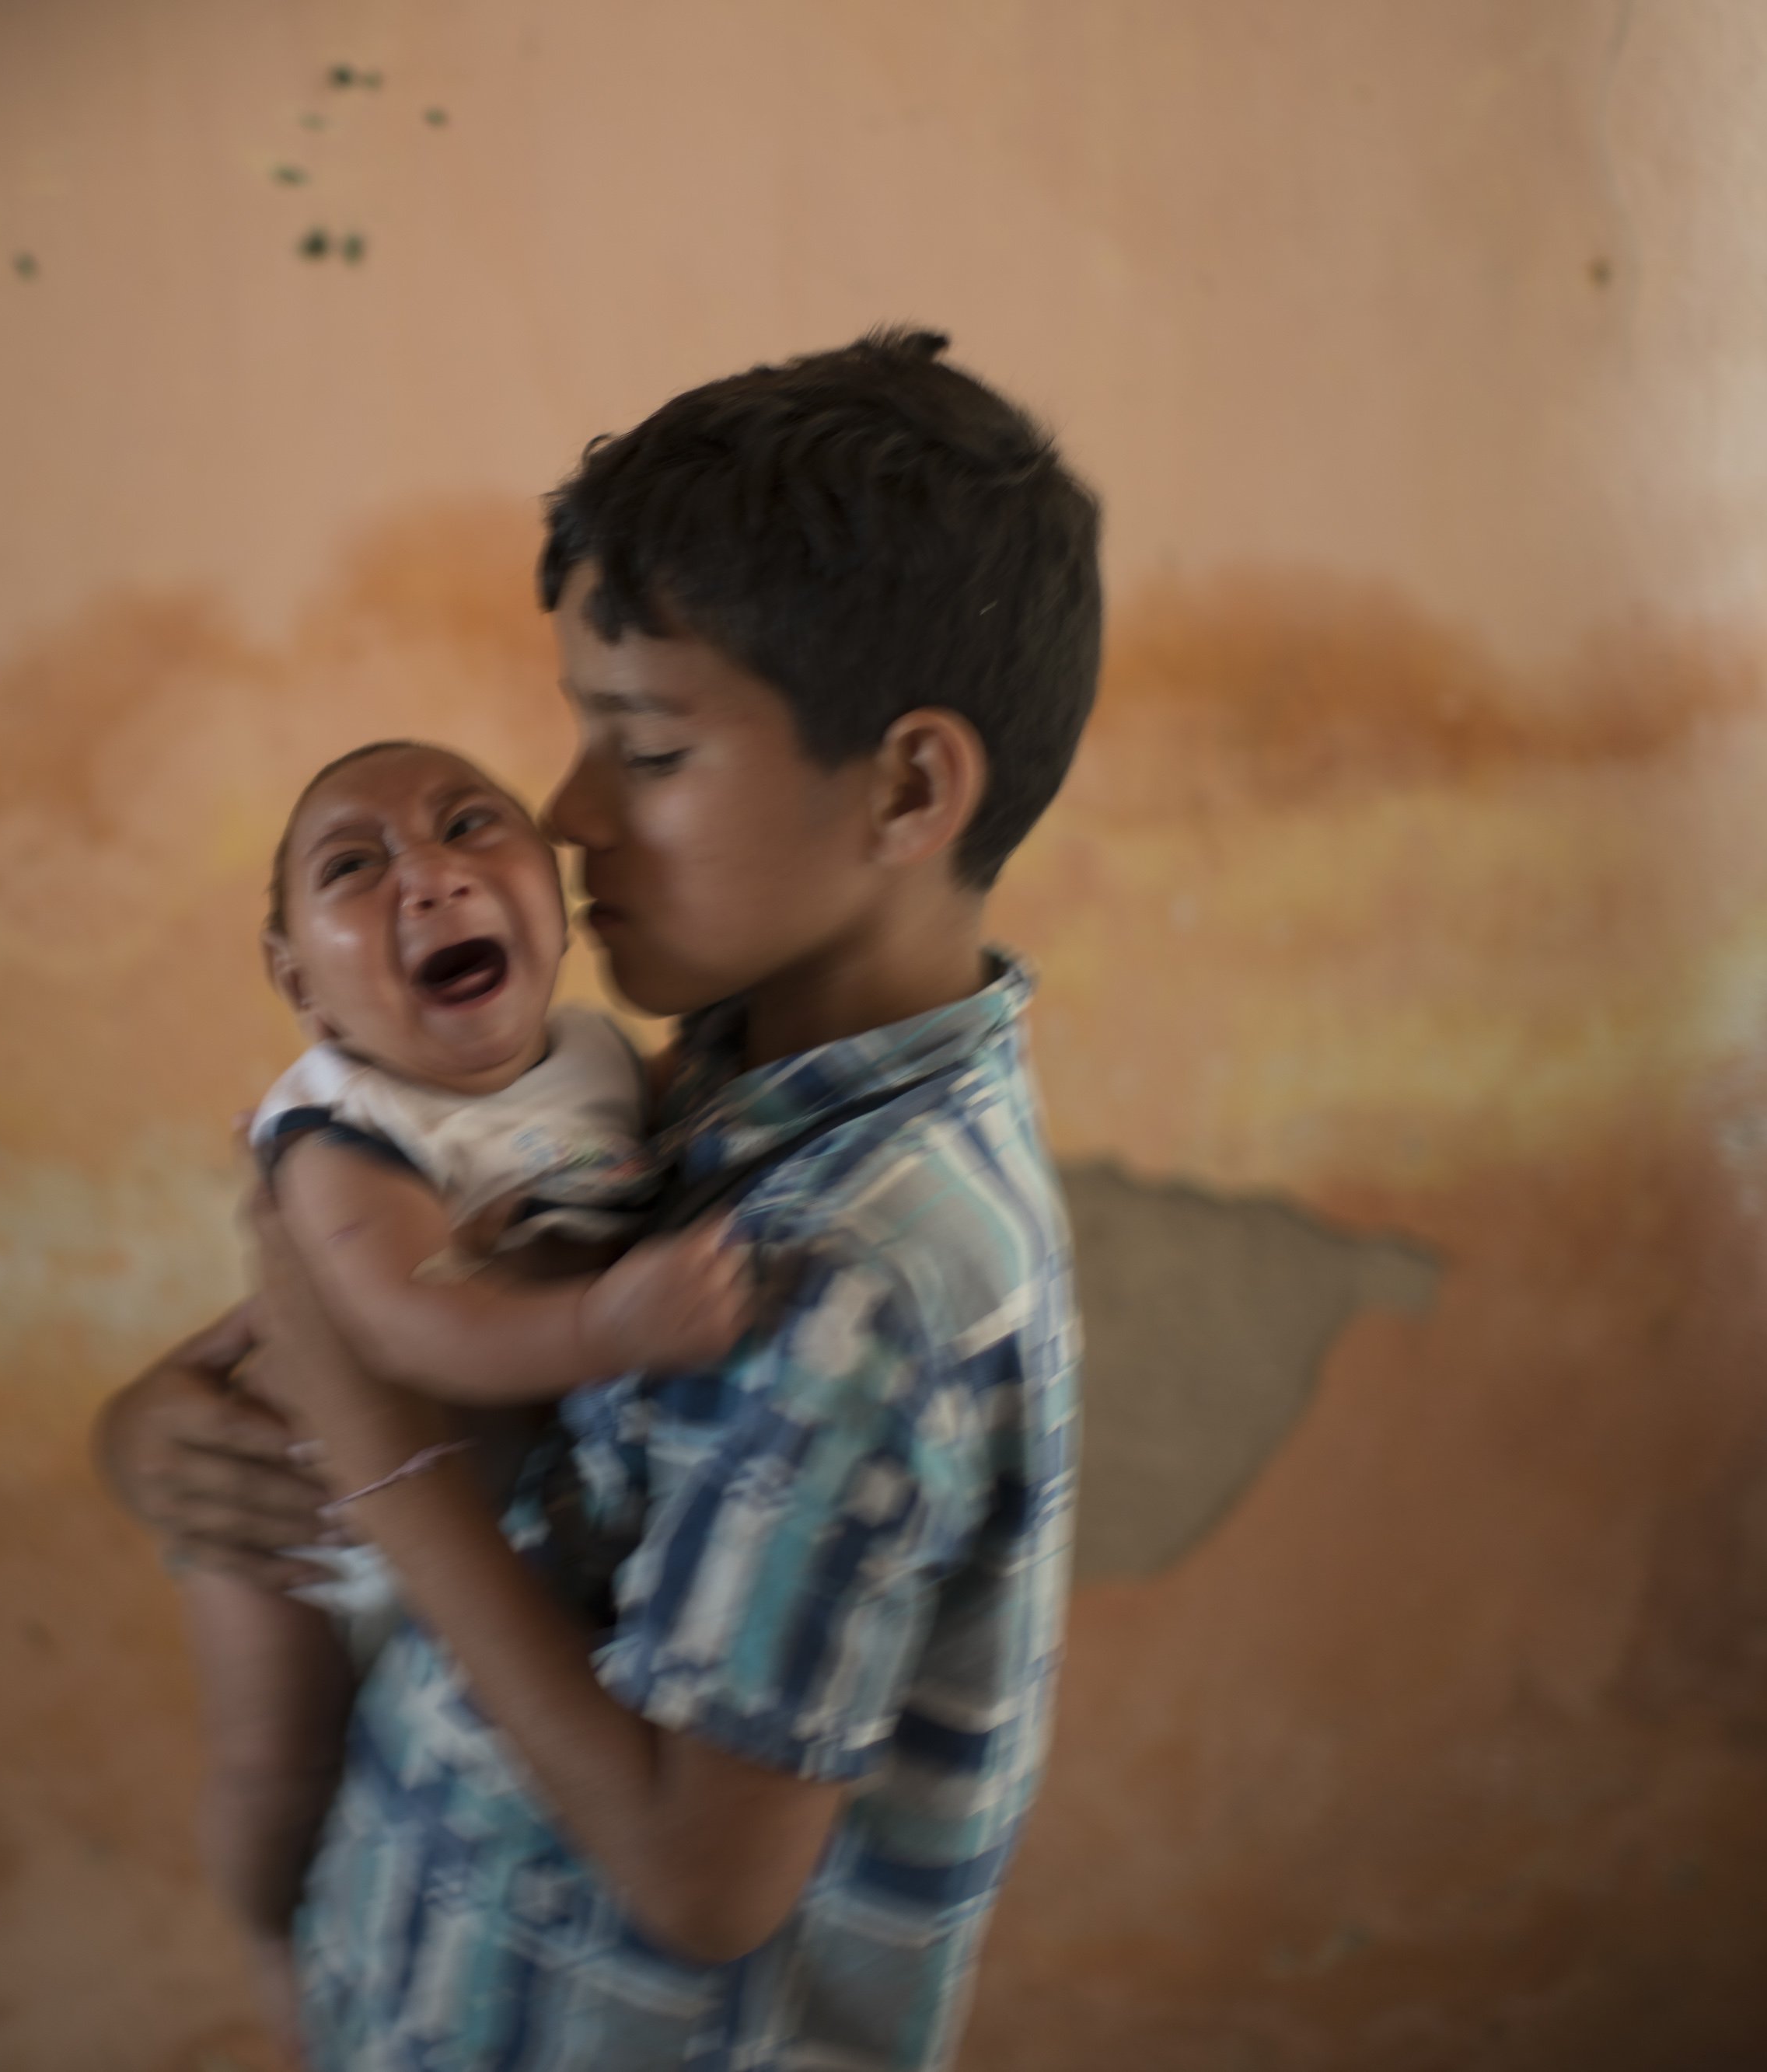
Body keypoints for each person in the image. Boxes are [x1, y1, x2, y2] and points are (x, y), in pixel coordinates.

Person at [94, 326, 1101, 2068]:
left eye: (640, 747)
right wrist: (167, 1429)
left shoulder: (861, 1270)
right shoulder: (716, 1078)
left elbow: (695, 1878)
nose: (561, 817)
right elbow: (403, 1320)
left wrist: (384, 1470)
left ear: (908, 787)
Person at [189, 737, 753, 2049]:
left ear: (553, 903)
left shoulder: (604, 1062)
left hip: (451, 1515)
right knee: (278, 1763)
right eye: (354, 865)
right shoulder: (340, 1125)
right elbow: (411, 1325)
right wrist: (606, 1320)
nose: (429, 875)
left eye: (468, 825)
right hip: (300, 1526)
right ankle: (275, 1947)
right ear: (297, 979)